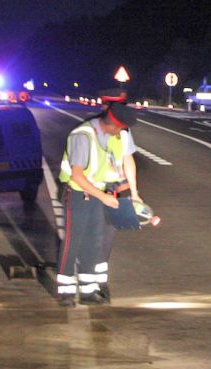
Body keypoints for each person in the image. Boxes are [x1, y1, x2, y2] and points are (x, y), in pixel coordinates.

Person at [56, 97, 139, 306]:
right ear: (112, 124)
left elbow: (122, 161)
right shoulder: (83, 136)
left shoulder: (110, 137)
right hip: (77, 194)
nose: (121, 134)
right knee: (73, 242)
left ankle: (87, 291)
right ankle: (65, 291)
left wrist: (128, 192)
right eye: (120, 129)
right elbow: (77, 175)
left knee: (93, 242)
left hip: (97, 194)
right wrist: (103, 196)